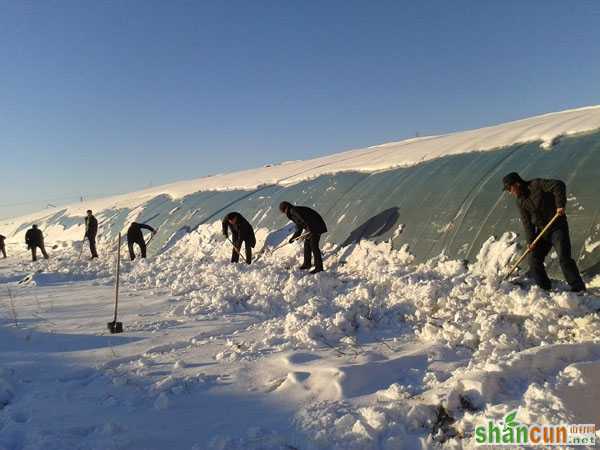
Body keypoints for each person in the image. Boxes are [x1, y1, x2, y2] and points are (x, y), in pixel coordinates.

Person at [502, 172, 586, 292]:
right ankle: (545, 289)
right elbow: (527, 223)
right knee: (533, 258)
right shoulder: (520, 202)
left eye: (510, 188)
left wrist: (560, 205)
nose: (510, 192)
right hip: (542, 232)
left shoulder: (536, 185)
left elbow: (558, 185)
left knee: (564, 258)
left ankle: (578, 288)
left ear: (517, 184)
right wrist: (531, 242)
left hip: (557, 227)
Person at [279, 201, 328, 274]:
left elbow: (303, 219)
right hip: (312, 226)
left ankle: (319, 267)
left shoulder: (293, 210)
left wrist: (310, 229)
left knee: (313, 245)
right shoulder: (292, 212)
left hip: (316, 225)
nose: (284, 214)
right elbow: (299, 226)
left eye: (283, 212)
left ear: (285, 209)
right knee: (307, 244)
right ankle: (307, 264)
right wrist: (294, 237)